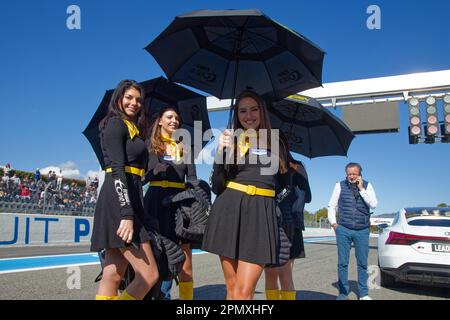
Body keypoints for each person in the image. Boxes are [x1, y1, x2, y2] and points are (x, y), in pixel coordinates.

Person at [202, 90, 290, 300]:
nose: (248, 115)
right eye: (242, 111)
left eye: (253, 109)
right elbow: (216, 186)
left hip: (261, 214)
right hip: (229, 211)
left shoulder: (276, 140)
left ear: (262, 112)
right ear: (236, 114)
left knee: (244, 291)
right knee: (232, 288)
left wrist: (271, 209)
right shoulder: (231, 139)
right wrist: (221, 152)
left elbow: (285, 184)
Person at [90, 79, 159, 300]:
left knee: (112, 275)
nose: (134, 103)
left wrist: (153, 171)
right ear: (118, 98)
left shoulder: (133, 129)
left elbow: (135, 172)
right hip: (119, 202)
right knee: (148, 275)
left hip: (129, 197)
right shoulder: (115, 124)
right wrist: (127, 214)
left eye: (138, 100)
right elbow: (118, 169)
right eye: (129, 97)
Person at [144, 106, 198, 300]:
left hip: (178, 205)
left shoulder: (185, 147)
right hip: (154, 203)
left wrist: (198, 195)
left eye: (176, 117)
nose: (174, 120)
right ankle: (160, 296)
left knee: (184, 260)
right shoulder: (149, 147)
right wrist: (154, 171)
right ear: (159, 120)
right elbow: (141, 179)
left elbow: (192, 178)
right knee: (159, 254)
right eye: (169, 117)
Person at [264, 154, 311, 300]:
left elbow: (307, 197)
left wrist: (294, 174)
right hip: (273, 221)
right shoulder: (267, 163)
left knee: (282, 273)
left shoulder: (296, 166)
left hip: (287, 221)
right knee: (274, 273)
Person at [327, 162, 377, 300]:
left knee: (362, 262)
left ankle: (364, 294)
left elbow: (373, 204)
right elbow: (331, 205)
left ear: (360, 174)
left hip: (362, 230)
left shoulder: (368, 185)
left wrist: (361, 189)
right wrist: (334, 224)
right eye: (349, 174)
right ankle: (343, 293)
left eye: (354, 174)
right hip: (343, 229)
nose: (351, 176)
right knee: (342, 262)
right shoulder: (339, 185)